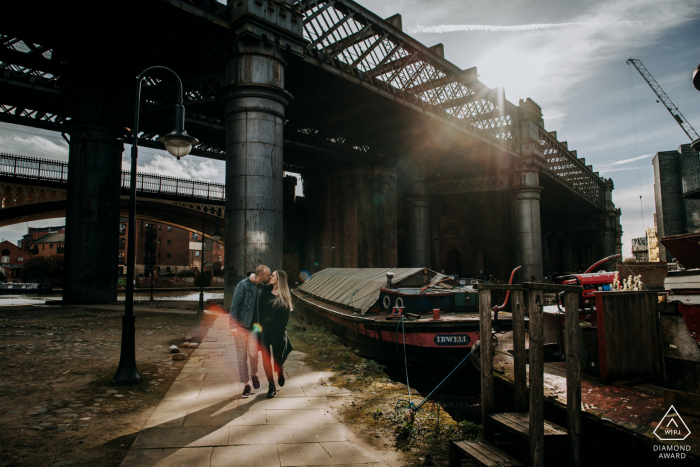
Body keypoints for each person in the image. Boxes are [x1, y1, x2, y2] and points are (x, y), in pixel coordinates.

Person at [230, 265, 270, 398]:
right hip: (241, 327)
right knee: (242, 357)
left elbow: (276, 283)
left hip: (254, 329)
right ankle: (246, 385)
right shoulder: (243, 285)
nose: (269, 277)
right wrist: (233, 326)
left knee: (253, 354)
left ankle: (253, 374)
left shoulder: (263, 286)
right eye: (267, 275)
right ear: (260, 276)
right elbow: (234, 306)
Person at [257, 270, 293, 398]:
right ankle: (271, 385)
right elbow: (255, 279)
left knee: (277, 358)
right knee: (266, 359)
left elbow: (285, 319)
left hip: (277, 331)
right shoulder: (265, 290)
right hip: (264, 331)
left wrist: (280, 329)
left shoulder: (284, 296)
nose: (270, 277)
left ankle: (280, 371)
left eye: (272, 275)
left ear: (278, 279)